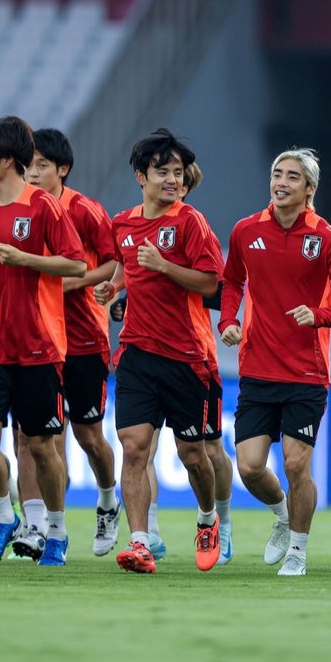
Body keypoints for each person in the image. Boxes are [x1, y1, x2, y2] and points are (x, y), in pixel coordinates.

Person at [219, 148, 331, 575]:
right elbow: (231, 281)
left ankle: (298, 549)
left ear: (309, 189)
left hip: (306, 371)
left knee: (297, 464)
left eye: (292, 177)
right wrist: (228, 319)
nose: (281, 182)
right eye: (277, 173)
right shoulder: (246, 230)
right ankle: (282, 514)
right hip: (258, 367)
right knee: (248, 467)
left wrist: (317, 316)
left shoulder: (326, 237)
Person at [93, 128, 223, 574]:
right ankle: (140, 542)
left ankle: (208, 519)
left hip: (188, 356)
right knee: (134, 449)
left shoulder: (190, 222)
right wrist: (115, 284)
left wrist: (164, 266)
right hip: (136, 353)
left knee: (193, 455)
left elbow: (212, 284)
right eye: (162, 171)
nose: (171, 179)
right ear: (140, 176)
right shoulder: (123, 223)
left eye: (177, 173)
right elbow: (128, 263)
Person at [0, 116, 85, 566]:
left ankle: (56, 529)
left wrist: (26, 259)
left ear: (7, 159)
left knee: (41, 446)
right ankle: (3, 514)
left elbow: (75, 265)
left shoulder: (44, 207)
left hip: (38, 346)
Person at [12, 128, 122, 559]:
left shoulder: (86, 210)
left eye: (42, 165)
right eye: (30, 165)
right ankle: (37, 526)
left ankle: (108, 500)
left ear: (63, 169)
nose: (34, 173)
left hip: (82, 341)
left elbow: (113, 262)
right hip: (36, 342)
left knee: (89, 437)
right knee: (33, 437)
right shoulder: (20, 208)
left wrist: (76, 283)